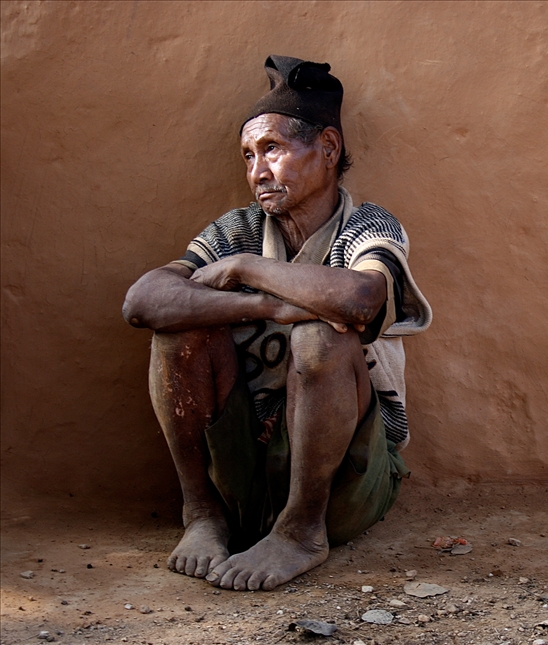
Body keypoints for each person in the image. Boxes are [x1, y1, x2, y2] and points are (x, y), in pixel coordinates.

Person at [122, 55, 431, 591]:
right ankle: (203, 515)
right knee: (179, 331)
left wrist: (246, 271)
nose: (257, 171)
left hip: (346, 482)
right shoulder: (237, 227)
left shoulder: (366, 225)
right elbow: (143, 301)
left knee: (321, 336)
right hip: (244, 470)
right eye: (247, 155)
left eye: (272, 149)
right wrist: (267, 306)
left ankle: (301, 533)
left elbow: (360, 299)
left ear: (328, 149)